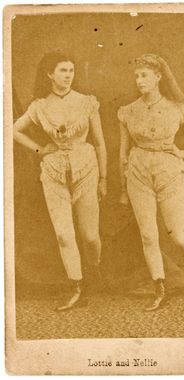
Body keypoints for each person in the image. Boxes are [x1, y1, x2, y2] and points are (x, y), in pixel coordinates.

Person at [118, 54, 184, 311]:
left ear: (159, 77)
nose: (139, 80)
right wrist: (122, 186)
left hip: (169, 171)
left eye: (145, 75)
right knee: (148, 235)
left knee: (178, 235)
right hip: (138, 172)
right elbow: (123, 152)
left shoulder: (177, 108)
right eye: (137, 76)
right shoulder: (127, 111)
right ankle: (159, 287)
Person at [13, 51, 107, 311]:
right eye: (63, 70)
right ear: (49, 74)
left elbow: (99, 142)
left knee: (89, 236)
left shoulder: (87, 102)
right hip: (53, 172)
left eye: (71, 70)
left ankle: (94, 270)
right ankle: (76, 287)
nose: (68, 75)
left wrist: (103, 178)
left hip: (86, 168)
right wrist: (40, 150)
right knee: (65, 236)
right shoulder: (39, 106)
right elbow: (13, 130)